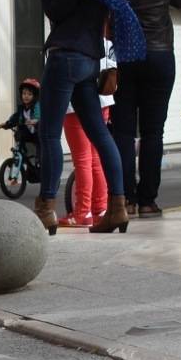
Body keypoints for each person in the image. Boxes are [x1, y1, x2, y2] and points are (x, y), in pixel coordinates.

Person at [21, 0, 146, 234]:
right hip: (91, 60)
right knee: (100, 135)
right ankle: (117, 208)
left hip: (65, 57)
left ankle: (46, 207)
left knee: (49, 133)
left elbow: (58, 11)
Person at [114, 0, 181, 218]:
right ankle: (148, 201)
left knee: (122, 131)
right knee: (153, 132)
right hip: (160, 55)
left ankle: (126, 199)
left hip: (124, 56)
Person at [59, 40, 116, 227]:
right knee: (96, 157)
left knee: (82, 159)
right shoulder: (106, 37)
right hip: (104, 98)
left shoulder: (70, 34)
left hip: (76, 101)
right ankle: (100, 208)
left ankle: (83, 211)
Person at [0, 78, 41, 162]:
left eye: (29, 94)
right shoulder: (21, 108)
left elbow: (39, 116)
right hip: (28, 133)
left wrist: (35, 121)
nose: (26, 96)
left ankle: (39, 160)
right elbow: (15, 118)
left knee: (40, 145)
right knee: (19, 132)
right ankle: (21, 152)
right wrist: (7, 124)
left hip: (37, 133)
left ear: (34, 96)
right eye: (24, 93)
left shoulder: (37, 106)